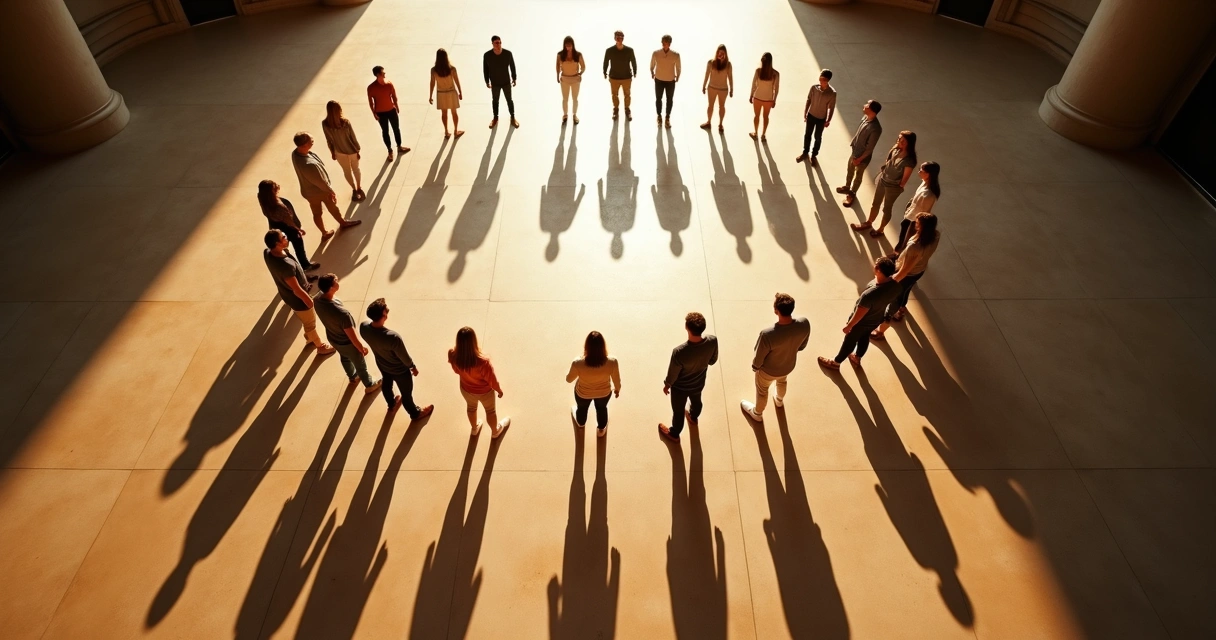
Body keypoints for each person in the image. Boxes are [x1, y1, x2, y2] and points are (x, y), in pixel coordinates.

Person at [818, 256, 900, 370]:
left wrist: (849, 326)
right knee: (865, 337)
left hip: (860, 323)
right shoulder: (896, 286)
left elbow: (860, 313)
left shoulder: (869, 295)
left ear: (878, 270)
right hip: (876, 319)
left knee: (849, 342)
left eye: (876, 265)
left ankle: (835, 363)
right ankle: (857, 357)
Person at [741, 293, 811, 423]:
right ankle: (779, 400)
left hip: (767, 371)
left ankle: (757, 413)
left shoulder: (767, 335)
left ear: (776, 311)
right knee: (782, 381)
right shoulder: (804, 324)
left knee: (762, 391)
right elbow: (802, 346)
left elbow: (759, 357)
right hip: (788, 366)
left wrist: (755, 367)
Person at [361, 298, 435, 419]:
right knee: (406, 393)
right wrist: (413, 367)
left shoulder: (363, 328)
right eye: (386, 311)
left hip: (382, 364)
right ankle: (415, 413)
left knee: (386, 384)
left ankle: (392, 404)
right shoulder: (392, 337)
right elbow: (404, 357)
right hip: (400, 371)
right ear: (384, 316)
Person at [263, 229, 333, 355]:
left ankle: (310, 337)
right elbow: (296, 289)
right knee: (310, 323)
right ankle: (320, 347)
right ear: (277, 244)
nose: (286, 237)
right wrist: (309, 302)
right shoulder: (285, 266)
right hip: (298, 300)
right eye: (283, 237)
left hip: (287, 295)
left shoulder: (267, 253)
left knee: (307, 322)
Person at [873, 212, 940, 336]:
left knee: (894, 300)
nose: (915, 225)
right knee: (906, 290)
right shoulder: (935, 235)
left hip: (907, 274)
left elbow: (905, 269)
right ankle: (902, 309)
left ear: (923, 227)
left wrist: (891, 281)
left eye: (918, 223)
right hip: (919, 271)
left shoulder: (915, 246)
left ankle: (880, 331)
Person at [314, 274, 381, 394]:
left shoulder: (317, 300)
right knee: (360, 364)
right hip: (347, 343)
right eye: (336, 280)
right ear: (331, 288)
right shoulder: (343, 314)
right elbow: (351, 335)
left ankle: (353, 376)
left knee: (344, 357)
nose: (338, 280)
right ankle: (369, 384)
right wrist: (360, 347)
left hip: (333, 338)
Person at [659, 312, 718, 443]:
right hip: (698, 383)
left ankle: (674, 433)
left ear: (686, 327)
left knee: (678, 411)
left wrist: (667, 385)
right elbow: (712, 361)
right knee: (697, 401)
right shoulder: (712, 341)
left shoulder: (679, 352)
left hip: (680, 389)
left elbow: (673, 374)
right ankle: (693, 417)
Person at [291, 132, 361, 239]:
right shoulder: (308, 164)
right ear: (304, 145)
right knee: (333, 207)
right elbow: (320, 182)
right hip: (320, 192)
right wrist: (330, 191)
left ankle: (324, 233)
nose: (313, 141)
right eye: (311, 141)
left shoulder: (295, 153)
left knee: (316, 213)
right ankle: (343, 223)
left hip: (308, 192)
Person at [852, 130, 917, 237]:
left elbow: (904, 179)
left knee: (887, 208)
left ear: (909, 143)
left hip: (893, 187)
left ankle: (881, 229)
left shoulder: (909, 160)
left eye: (903, 140)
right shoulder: (895, 150)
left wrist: (897, 186)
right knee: (875, 203)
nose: (899, 141)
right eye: (899, 138)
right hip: (883, 181)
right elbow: (887, 162)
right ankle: (869, 222)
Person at [448, 326, 510, 438]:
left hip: (466, 390)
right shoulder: (483, 362)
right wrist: (499, 390)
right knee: (490, 411)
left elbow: (456, 371)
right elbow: (492, 380)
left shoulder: (452, 355)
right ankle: (495, 431)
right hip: (485, 392)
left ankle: (474, 428)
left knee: (471, 408)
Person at [565, 331, 621, 437]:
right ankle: (601, 430)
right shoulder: (612, 362)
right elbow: (616, 379)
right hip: (604, 393)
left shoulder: (578, 363)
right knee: (601, 409)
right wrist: (617, 389)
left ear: (586, 346)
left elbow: (569, 379)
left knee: (582, 409)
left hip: (583, 393)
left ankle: (581, 424)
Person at [257, 179, 319, 272]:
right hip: (289, 229)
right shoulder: (278, 206)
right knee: (298, 246)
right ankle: (305, 265)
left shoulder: (264, 201)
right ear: (270, 192)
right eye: (274, 187)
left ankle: (297, 268)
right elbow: (289, 221)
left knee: (284, 250)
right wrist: (298, 229)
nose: (278, 187)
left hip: (276, 227)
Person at [838, 100, 883, 207]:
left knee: (858, 176)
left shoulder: (876, 129)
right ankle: (847, 187)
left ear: (872, 110)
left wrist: (859, 159)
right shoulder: (865, 118)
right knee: (850, 170)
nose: (864, 105)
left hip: (862, 158)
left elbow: (869, 148)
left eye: (867, 105)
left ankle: (852, 194)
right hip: (855, 152)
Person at [321, 100, 364, 202]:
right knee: (356, 169)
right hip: (352, 151)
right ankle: (359, 188)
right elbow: (353, 137)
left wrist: (332, 152)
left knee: (346, 172)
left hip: (339, 152)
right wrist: (357, 150)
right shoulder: (345, 122)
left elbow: (329, 140)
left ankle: (353, 189)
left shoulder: (325, 124)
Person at [894, 161, 940, 252]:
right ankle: (899, 248)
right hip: (911, 215)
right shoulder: (924, 182)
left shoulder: (928, 195)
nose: (919, 172)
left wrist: (916, 224)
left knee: (908, 238)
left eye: (921, 171)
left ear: (928, 174)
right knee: (904, 227)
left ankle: (900, 253)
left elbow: (922, 212)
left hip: (915, 220)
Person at [367, 65, 410, 162]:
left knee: (396, 129)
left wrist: (396, 106)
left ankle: (399, 146)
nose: (384, 73)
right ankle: (390, 151)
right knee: (385, 131)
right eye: (383, 72)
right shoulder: (371, 88)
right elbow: (371, 102)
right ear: (378, 74)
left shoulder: (389, 84)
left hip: (391, 110)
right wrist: (374, 113)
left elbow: (394, 96)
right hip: (380, 113)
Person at [796, 69, 836, 165]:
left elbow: (832, 108)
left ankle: (814, 155)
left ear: (828, 80)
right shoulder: (814, 88)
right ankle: (805, 152)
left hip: (821, 119)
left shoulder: (832, 93)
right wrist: (805, 112)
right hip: (811, 115)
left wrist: (828, 120)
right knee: (807, 135)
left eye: (824, 80)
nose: (821, 81)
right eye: (820, 78)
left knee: (817, 137)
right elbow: (809, 100)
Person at [483, 35, 519, 129]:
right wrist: (487, 81)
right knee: (495, 101)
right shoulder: (487, 55)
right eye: (496, 43)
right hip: (495, 83)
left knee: (509, 100)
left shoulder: (508, 54)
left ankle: (513, 117)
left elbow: (512, 66)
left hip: (506, 82)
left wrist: (514, 78)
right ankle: (495, 118)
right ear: (492, 43)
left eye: (499, 42)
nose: (498, 45)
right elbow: (485, 69)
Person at [429, 49, 464, 139]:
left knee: (444, 113)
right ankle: (455, 131)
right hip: (451, 92)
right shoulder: (452, 69)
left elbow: (432, 83)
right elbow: (457, 81)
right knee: (454, 112)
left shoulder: (433, 70)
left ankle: (446, 131)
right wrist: (460, 92)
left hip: (441, 93)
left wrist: (430, 95)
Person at [603, 30, 637, 121]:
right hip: (614, 77)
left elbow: (633, 61)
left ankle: (627, 110)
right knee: (614, 95)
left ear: (623, 38)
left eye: (621, 37)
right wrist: (604, 71)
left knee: (627, 95)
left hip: (626, 77)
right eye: (617, 37)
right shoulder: (609, 51)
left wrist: (635, 71)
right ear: (615, 38)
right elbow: (606, 61)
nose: (619, 39)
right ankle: (616, 110)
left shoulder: (629, 50)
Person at [650, 35, 681, 129]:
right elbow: (652, 64)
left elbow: (678, 67)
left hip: (670, 81)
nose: (664, 44)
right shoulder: (656, 53)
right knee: (658, 98)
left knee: (669, 99)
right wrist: (652, 72)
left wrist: (678, 76)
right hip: (659, 79)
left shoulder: (675, 55)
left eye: (666, 42)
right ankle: (659, 116)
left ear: (670, 43)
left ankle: (667, 117)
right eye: (663, 42)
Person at [700, 44, 733, 132]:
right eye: (719, 52)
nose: (721, 54)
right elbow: (707, 74)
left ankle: (720, 124)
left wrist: (731, 89)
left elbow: (730, 77)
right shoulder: (711, 63)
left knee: (722, 106)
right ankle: (709, 122)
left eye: (723, 53)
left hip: (723, 89)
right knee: (710, 106)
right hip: (712, 87)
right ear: (717, 52)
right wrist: (704, 85)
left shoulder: (728, 65)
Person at [748, 52, 779, 142]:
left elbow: (754, 84)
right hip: (768, 99)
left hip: (757, 97)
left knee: (756, 116)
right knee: (766, 117)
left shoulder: (758, 71)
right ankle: (763, 134)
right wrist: (774, 100)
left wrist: (751, 95)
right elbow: (776, 89)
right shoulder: (775, 74)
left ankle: (755, 133)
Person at [556, 36, 585, 125]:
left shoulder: (578, 55)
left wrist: (580, 73)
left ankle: (574, 115)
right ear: (564, 46)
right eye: (567, 45)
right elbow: (557, 66)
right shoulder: (560, 55)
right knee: (565, 98)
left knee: (575, 98)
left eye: (570, 45)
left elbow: (583, 66)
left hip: (575, 79)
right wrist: (557, 76)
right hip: (564, 79)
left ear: (573, 45)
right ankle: (565, 115)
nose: (568, 47)